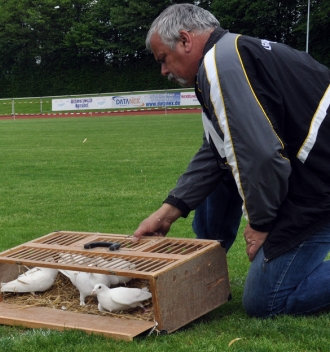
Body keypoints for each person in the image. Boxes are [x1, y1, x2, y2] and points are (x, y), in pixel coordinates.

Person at [132, 4, 330, 318]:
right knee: (224, 172)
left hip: (319, 183)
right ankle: (208, 267)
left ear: (185, 41)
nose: (163, 71)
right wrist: (168, 212)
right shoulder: (226, 56)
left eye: (163, 59)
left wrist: (261, 225)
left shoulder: (221, 63)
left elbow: (261, 156)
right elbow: (216, 151)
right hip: (310, 171)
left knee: (265, 302)